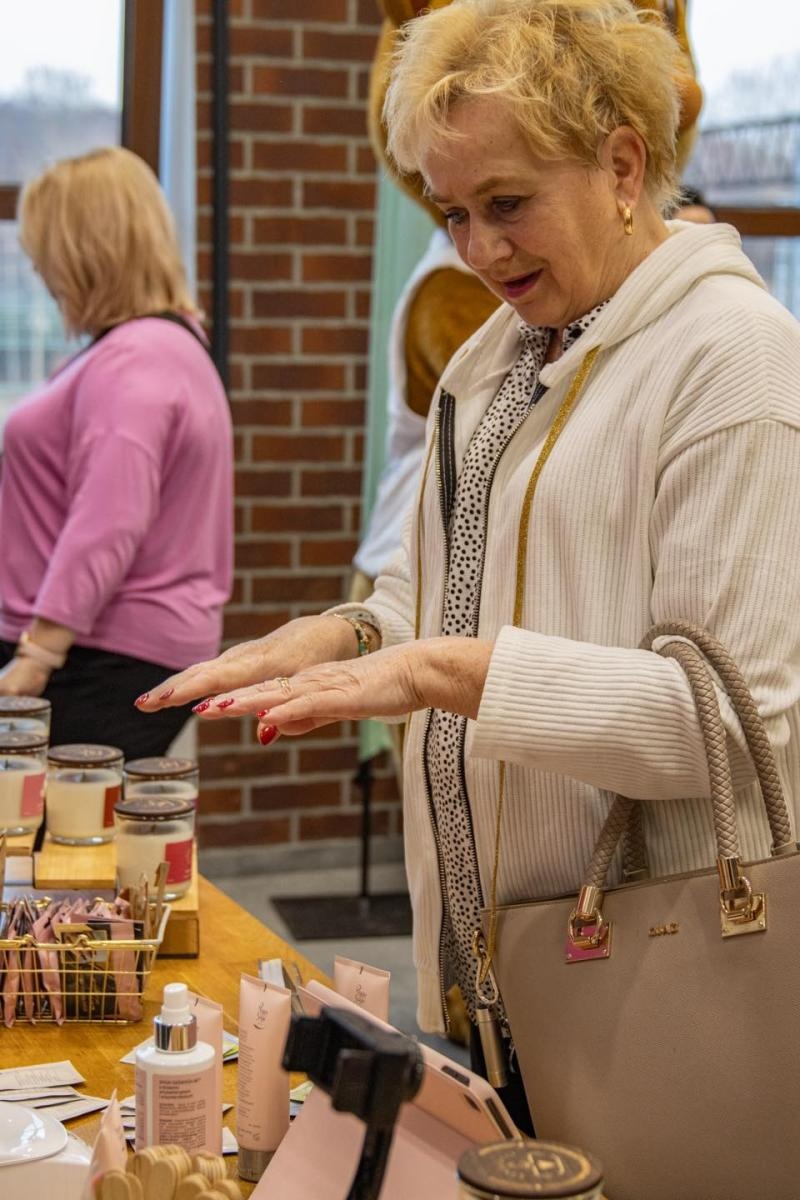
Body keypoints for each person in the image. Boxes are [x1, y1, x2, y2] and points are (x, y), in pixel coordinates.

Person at [139, 0, 800, 1130]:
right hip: (489, 969)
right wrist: (338, 636)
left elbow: (733, 723)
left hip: (656, 966)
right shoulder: (490, 362)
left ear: (622, 162)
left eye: (506, 204)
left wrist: (447, 676)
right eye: (451, 212)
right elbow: (423, 601)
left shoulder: (730, 361)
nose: (478, 250)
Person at [0, 146, 233, 757]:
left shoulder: (136, 359)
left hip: (94, 654)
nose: (41, 273)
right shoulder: (162, 343)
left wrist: (36, 658)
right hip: (101, 648)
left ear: (85, 253)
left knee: (46, 838)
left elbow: (107, 523)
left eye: (45, 256)